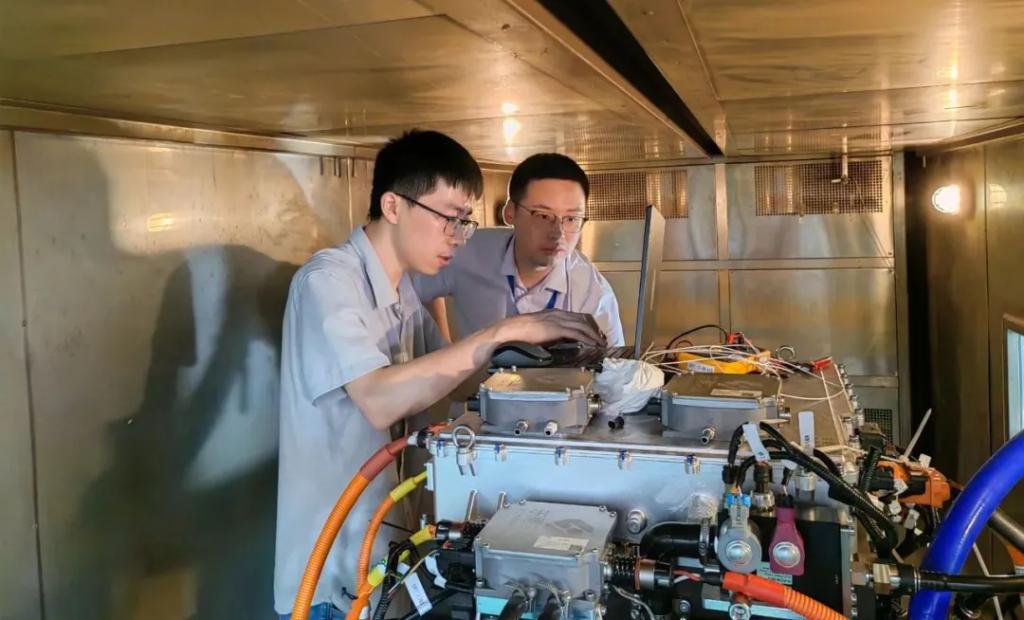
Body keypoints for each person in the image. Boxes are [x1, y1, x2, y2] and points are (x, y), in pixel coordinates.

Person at [273, 130, 604, 618]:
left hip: (382, 561)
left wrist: (544, 363)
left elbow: (457, 381)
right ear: (392, 205)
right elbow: (379, 400)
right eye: (449, 218)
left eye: (465, 222)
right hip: (329, 577)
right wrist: (505, 330)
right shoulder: (328, 282)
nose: (458, 236)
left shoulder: (402, 293)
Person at [413, 152, 624, 345]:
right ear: (510, 213)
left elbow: (616, 369)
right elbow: (410, 287)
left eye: (571, 219)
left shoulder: (593, 294)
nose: (558, 234)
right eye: (543, 216)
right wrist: (441, 347)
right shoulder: (466, 251)